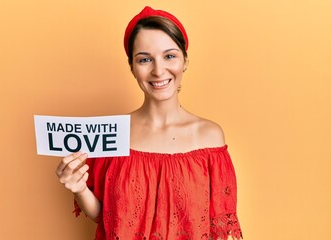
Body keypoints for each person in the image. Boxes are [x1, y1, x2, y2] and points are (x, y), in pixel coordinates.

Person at [56, 6, 243, 240]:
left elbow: (219, 229)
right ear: (132, 68)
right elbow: (104, 216)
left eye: (169, 56)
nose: (158, 70)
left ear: (185, 60)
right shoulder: (112, 134)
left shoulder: (210, 136)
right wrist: (79, 188)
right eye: (145, 59)